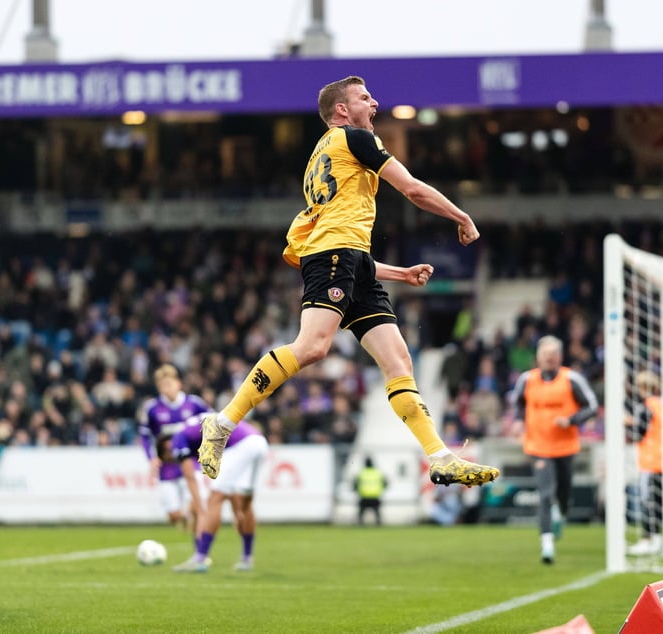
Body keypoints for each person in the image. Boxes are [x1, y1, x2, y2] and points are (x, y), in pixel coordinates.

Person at [196, 76, 500, 489]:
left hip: (349, 260)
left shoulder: (322, 156)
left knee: (399, 362)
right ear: (342, 110)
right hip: (335, 258)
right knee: (312, 347)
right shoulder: (354, 138)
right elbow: (411, 189)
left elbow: (345, 239)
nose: (374, 103)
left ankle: (440, 456)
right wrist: (461, 217)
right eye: (364, 97)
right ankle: (223, 421)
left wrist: (399, 273)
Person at [508, 335, 598, 564]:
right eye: (545, 354)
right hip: (538, 445)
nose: (549, 358)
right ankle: (547, 544)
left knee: (564, 492)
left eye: (553, 354)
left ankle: (562, 513)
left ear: (559, 356)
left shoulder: (571, 379)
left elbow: (592, 406)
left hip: (566, 446)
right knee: (546, 493)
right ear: (538, 356)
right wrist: (518, 421)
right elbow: (517, 403)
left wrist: (571, 420)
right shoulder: (527, 380)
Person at [171, 413, 268, 573]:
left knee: (215, 498)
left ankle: (200, 558)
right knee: (244, 503)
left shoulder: (178, 436)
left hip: (239, 445)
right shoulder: (196, 422)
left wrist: (200, 508)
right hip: (259, 440)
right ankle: (247, 558)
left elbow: (189, 474)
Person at [137, 364, 210, 532]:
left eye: (168, 383)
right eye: (162, 385)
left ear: (178, 383)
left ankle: (199, 550)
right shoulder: (152, 409)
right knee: (174, 515)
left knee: (195, 506)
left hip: (191, 462)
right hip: (167, 467)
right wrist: (151, 458)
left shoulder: (194, 404)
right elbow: (145, 436)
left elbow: (212, 424)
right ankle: (184, 519)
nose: (166, 388)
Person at [624, 370, 663, 555]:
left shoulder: (645, 407)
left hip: (650, 460)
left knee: (648, 502)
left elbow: (638, 434)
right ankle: (660, 538)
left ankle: (648, 539)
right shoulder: (661, 404)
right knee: (660, 502)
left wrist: (626, 423)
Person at [354, 456, 388, 526]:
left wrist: (357, 491)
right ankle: (378, 526)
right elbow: (385, 483)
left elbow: (355, 485)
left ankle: (360, 525)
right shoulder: (378, 472)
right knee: (377, 513)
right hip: (375, 496)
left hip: (364, 496)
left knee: (361, 513)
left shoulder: (361, 473)